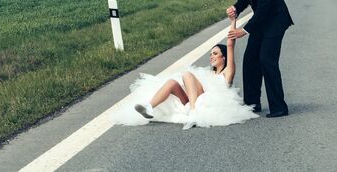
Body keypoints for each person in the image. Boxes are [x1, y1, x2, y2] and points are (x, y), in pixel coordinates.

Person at [110, 19, 257, 130]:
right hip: (193, 101)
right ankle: (149, 107)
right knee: (172, 83)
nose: (211, 56)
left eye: (215, 54)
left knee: (187, 74)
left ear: (223, 57)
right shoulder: (208, 73)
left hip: (207, 105)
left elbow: (230, 44)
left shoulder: (227, 72)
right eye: (211, 54)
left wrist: (233, 20)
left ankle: (193, 112)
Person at [224, 0, 293, 118]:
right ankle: (252, 104)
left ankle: (279, 107)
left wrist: (244, 30)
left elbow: (263, 10)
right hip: (261, 22)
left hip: (275, 22)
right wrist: (236, 8)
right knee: (250, 60)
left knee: (267, 61)